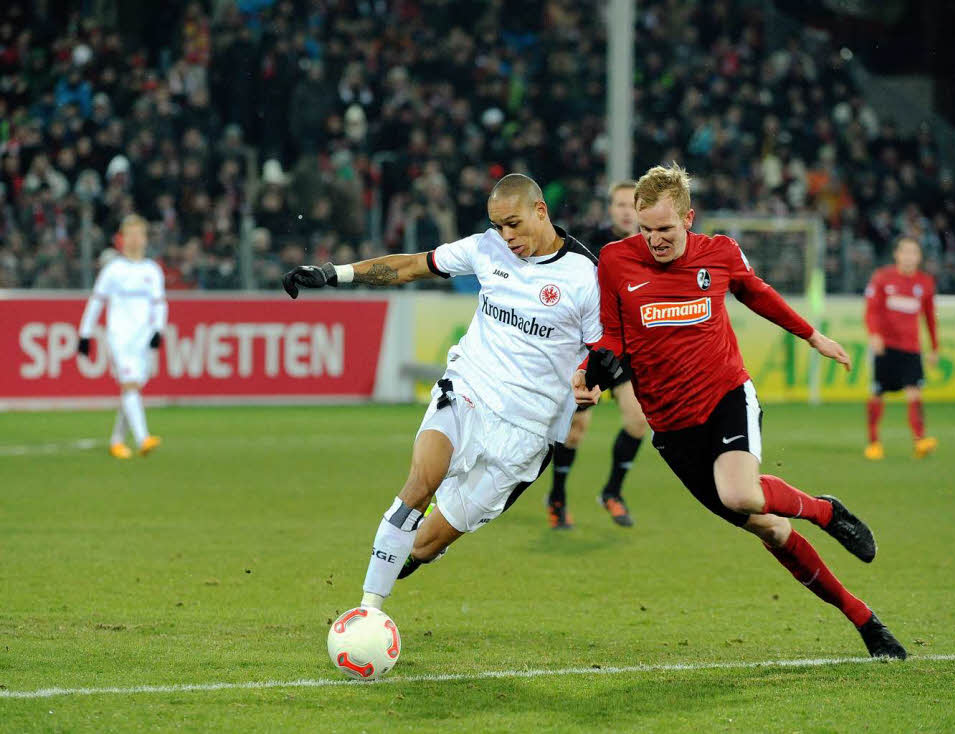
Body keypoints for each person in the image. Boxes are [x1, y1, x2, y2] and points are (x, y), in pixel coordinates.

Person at [574, 164, 906, 659]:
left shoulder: (720, 253)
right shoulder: (616, 261)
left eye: (664, 229)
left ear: (689, 217)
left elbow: (756, 292)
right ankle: (864, 619)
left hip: (726, 396)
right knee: (769, 527)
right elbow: (613, 336)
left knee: (739, 493)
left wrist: (811, 335)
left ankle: (824, 511)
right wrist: (592, 374)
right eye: (645, 230)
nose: (654, 241)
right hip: (670, 425)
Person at [282, 174, 607, 611]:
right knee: (420, 483)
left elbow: (601, 348)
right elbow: (411, 265)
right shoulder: (485, 249)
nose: (506, 237)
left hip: (530, 429)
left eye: (513, 224)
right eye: (498, 226)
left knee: (424, 546)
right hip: (470, 389)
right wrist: (334, 273)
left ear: (540, 211)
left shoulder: (584, 276)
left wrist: (589, 379)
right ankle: (366, 614)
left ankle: (404, 561)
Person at [547, 180, 649, 529]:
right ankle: (557, 497)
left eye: (630, 205)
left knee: (638, 422)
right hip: (595, 344)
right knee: (576, 430)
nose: (625, 211)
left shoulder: (653, 246)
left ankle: (612, 492)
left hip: (630, 348)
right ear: (610, 209)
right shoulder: (591, 244)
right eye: (619, 204)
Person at [78, 214, 167, 459]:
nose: (136, 239)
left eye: (140, 234)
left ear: (146, 239)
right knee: (130, 385)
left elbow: (160, 303)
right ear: (122, 239)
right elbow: (97, 302)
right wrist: (85, 334)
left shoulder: (152, 270)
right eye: (131, 234)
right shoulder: (113, 270)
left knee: (133, 390)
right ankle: (143, 438)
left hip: (143, 337)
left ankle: (117, 441)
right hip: (120, 336)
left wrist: (158, 330)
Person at [863, 236, 939, 460]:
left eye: (913, 252)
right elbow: (872, 310)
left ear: (919, 257)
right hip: (885, 347)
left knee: (915, 392)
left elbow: (930, 317)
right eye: (905, 252)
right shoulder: (882, 277)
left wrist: (934, 347)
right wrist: (874, 334)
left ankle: (920, 440)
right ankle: (874, 442)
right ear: (896, 254)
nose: (909, 257)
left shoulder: (925, 282)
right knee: (877, 393)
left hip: (911, 348)